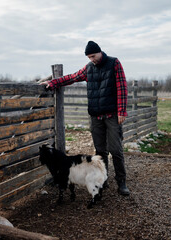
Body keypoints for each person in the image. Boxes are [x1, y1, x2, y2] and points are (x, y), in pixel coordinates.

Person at [40, 40, 130, 196]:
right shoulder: (89, 69)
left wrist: (122, 111)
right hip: (96, 116)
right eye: (89, 57)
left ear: (100, 52)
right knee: (100, 151)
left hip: (112, 115)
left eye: (93, 56)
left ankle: (121, 182)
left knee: (116, 150)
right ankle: (103, 179)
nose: (91, 60)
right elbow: (72, 77)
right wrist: (54, 82)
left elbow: (122, 87)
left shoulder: (114, 63)